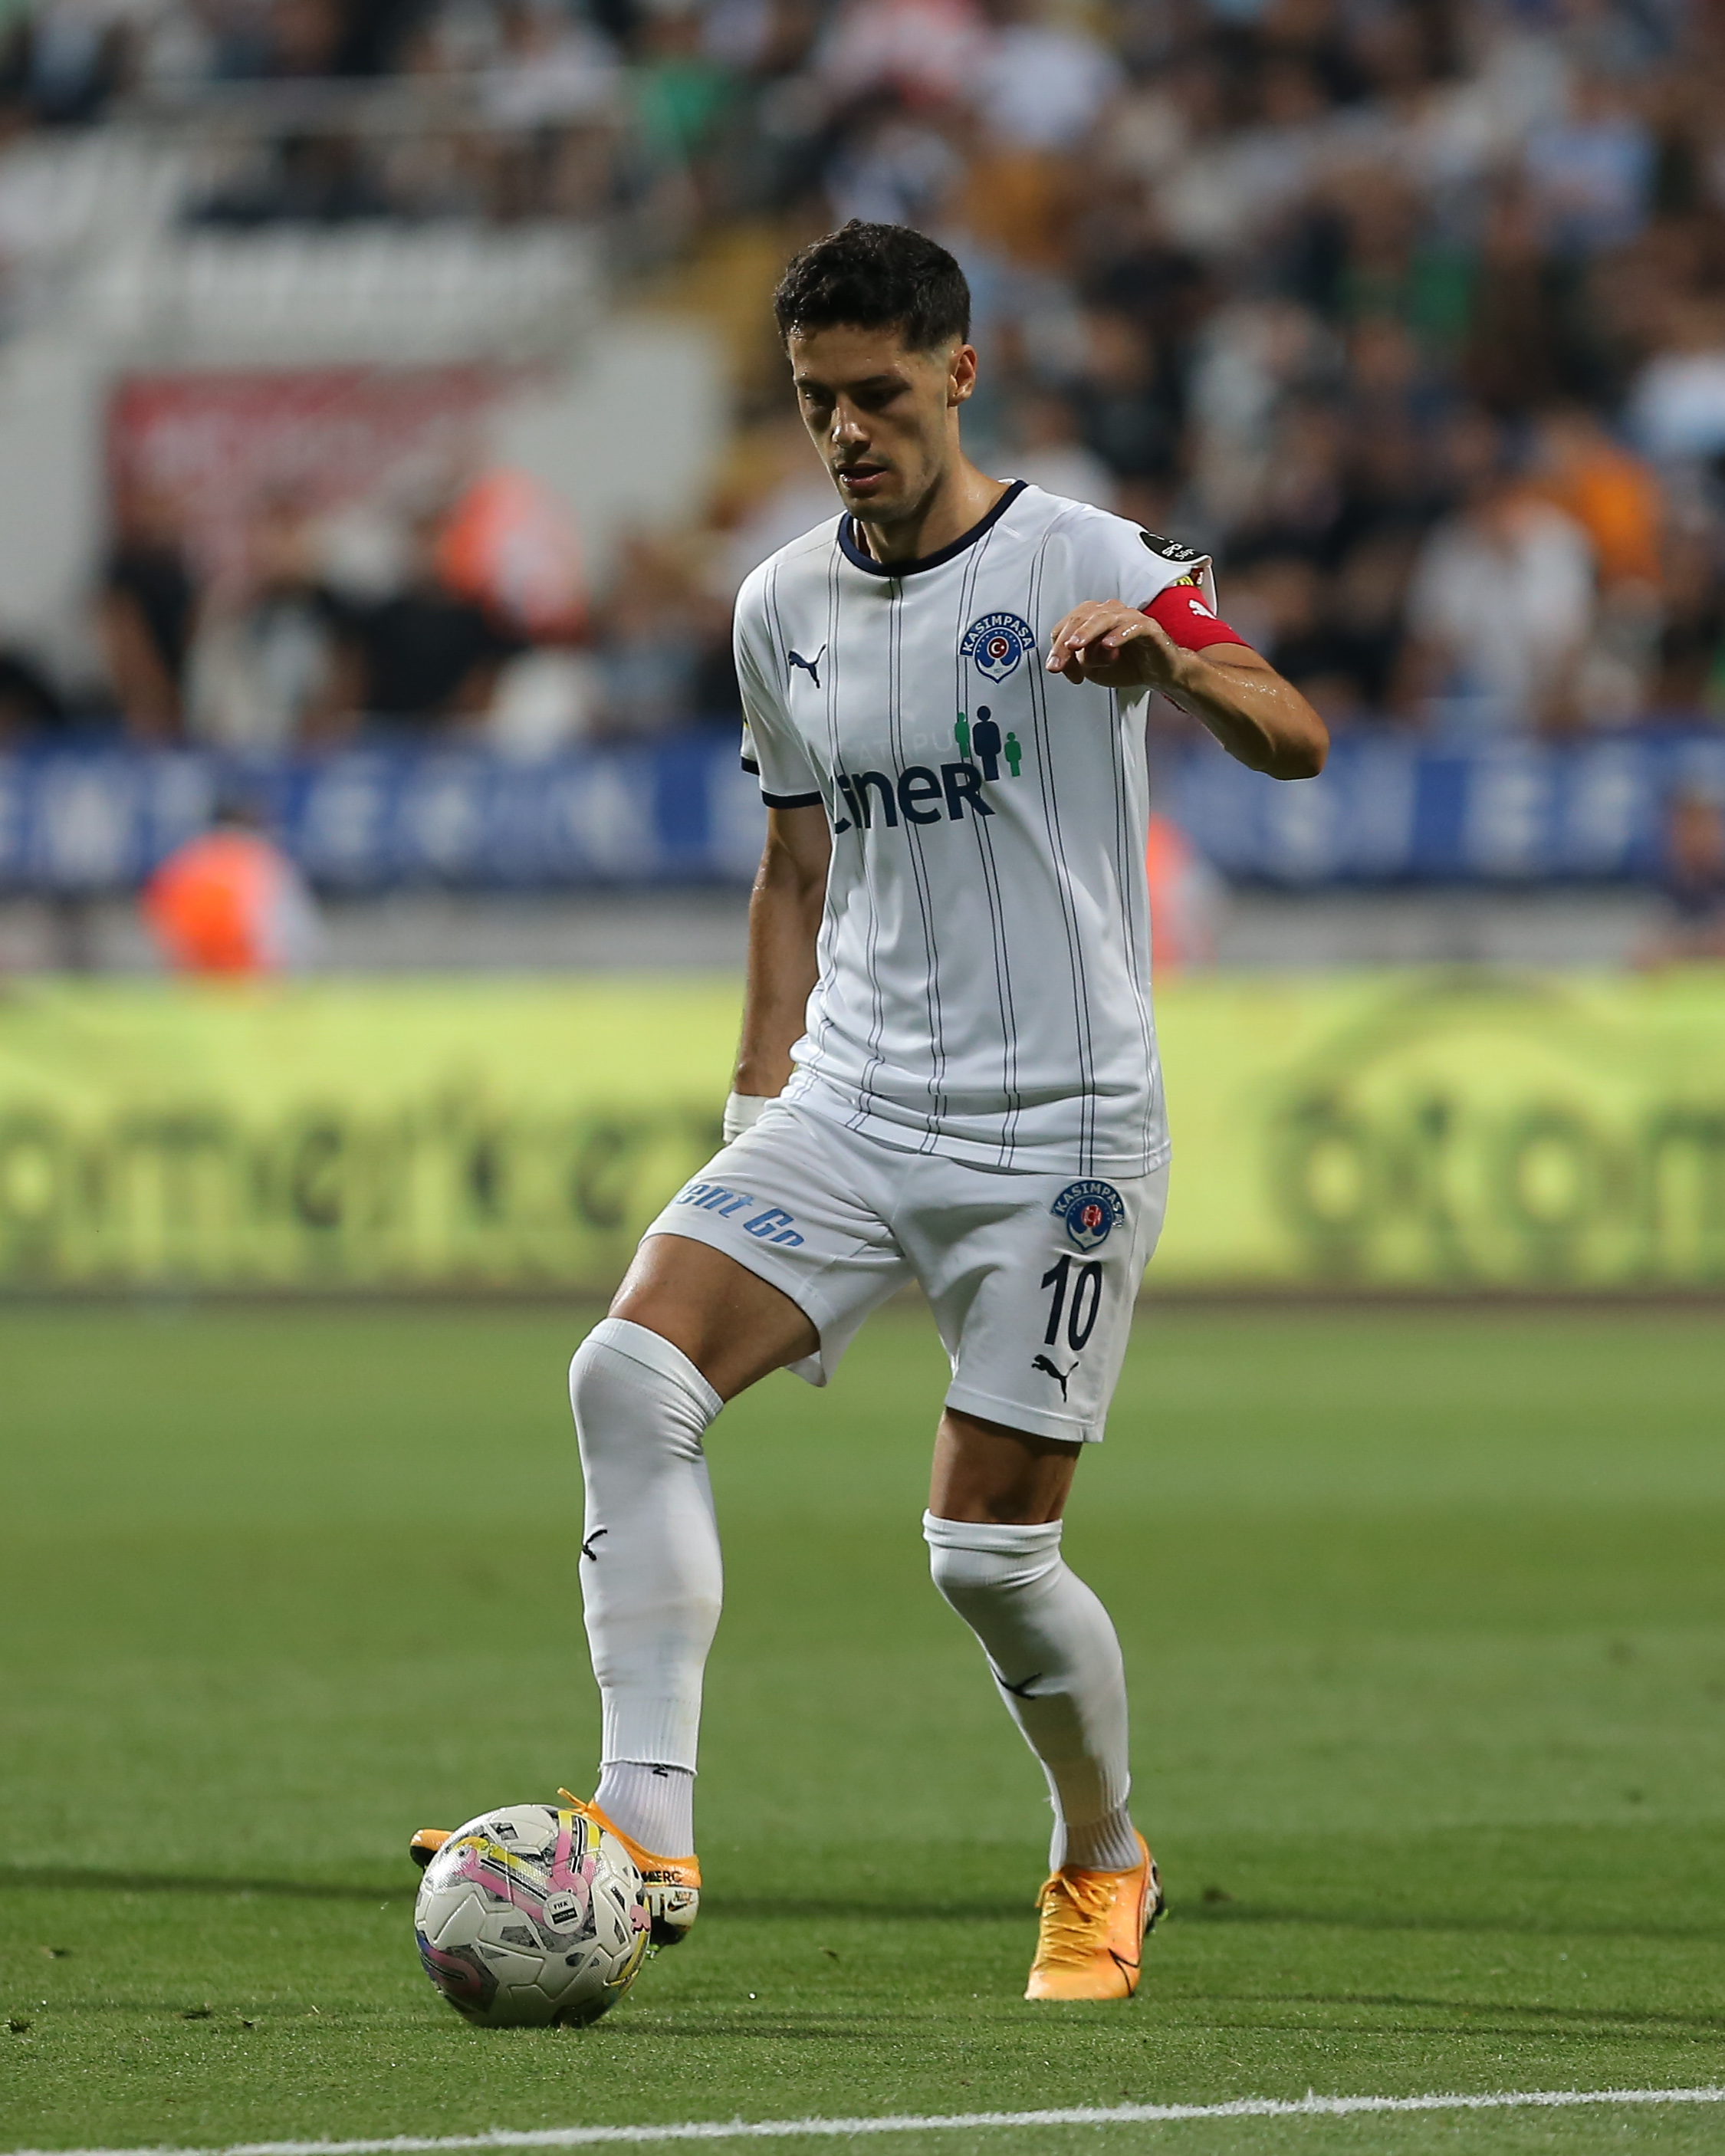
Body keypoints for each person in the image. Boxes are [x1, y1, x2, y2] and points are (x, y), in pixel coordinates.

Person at [410, 222, 1326, 2000]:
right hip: (850, 1101)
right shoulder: (779, 605)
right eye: (816, 400)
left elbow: (1296, 732)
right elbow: (792, 864)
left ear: (959, 373)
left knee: (988, 1556)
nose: (846, 431)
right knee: (626, 1374)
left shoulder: (1093, 556)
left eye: (879, 395)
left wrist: (1174, 665)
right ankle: (646, 1822)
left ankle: (1101, 1850)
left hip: (1060, 1133)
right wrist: (756, 1103)